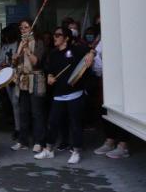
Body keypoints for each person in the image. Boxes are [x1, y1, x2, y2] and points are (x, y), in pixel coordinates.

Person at [34, 27, 95, 164]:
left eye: (58, 35)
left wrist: (91, 54)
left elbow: (91, 49)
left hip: (75, 93)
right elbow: (50, 71)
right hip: (58, 94)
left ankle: (76, 151)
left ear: (66, 38)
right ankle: (49, 149)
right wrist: (49, 77)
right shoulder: (53, 54)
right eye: (54, 35)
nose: (55, 37)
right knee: (52, 123)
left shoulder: (76, 50)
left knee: (75, 124)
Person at [10, 19, 46, 153]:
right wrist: (14, 59)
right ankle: (23, 140)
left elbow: (36, 62)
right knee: (23, 112)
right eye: (21, 28)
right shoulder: (20, 43)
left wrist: (26, 50)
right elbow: (15, 64)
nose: (23, 30)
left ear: (32, 28)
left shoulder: (39, 42)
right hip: (23, 80)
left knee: (37, 112)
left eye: (26, 27)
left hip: (36, 78)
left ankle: (39, 141)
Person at [93, 40, 130, 159]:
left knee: (124, 110)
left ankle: (123, 145)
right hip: (107, 77)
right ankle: (110, 141)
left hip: (125, 77)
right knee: (107, 109)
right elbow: (96, 54)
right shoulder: (105, 38)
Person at [0, 24, 20, 143]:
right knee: (13, 103)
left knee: (17, 103)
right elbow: (0, 60)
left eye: (5, 35)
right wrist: (3, 65)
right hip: (6, 78)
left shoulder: (19, 45)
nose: (4, 37)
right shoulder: (4, 46)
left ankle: (19, 128)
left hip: (16, 77)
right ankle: (17, 127)